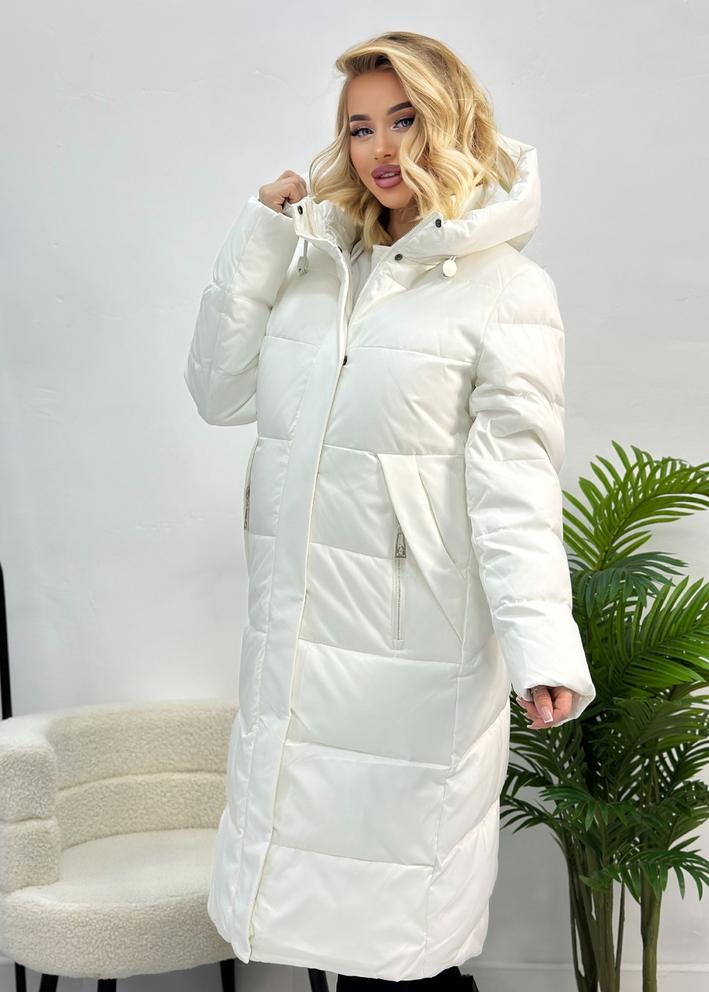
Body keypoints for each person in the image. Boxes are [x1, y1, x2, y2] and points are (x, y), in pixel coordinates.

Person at [184, 30, 596, 989]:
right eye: (359, 127)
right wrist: (259, 235)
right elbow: (217, 391)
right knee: (303, 916)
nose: (380, 148)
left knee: (399, 931)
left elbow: (515, 483)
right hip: (293, 641)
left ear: (450, 122)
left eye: (404, 120)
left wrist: (541, 646)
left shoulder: (506, 292)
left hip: (411, 655)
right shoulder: (312, 267)